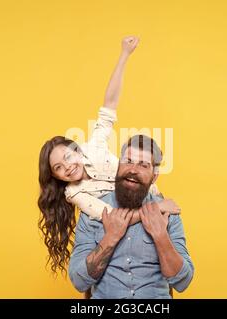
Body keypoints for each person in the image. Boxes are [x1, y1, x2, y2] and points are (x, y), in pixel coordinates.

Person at [38, 36, 180, 275]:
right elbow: (112, 218)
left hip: (147, 199)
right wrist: (156, 209)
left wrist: (124, 54)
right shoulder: (74, 193)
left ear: (77, 150)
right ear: (56, 177)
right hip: (130, 220)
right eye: (58, 168)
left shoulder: (94, 146)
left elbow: (109, 104)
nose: (68, 168)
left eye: (68, 158)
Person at [69, 135, 194, 298]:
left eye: (143, 165)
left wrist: (160, 236)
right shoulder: (94, 212)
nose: (133, 169)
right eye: (128, 161)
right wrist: (111, 237)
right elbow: (79, 281)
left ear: (154, 176)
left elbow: (182, 281)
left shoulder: (167, 213)